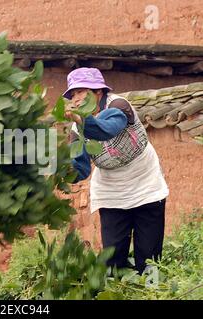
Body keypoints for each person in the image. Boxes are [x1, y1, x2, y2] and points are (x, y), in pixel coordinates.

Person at [62, 67, 169, 275]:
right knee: (112, 262)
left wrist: (82, 121)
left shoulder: (119, 106)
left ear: (98, 92)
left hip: (146, 187)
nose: (75, 99)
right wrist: (61, 171)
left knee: (149, 261)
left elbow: (107, 129)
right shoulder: (77, 130)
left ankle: (152, 293)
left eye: (81, 91)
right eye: (72, 95)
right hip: (112, 194)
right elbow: (81, 169)